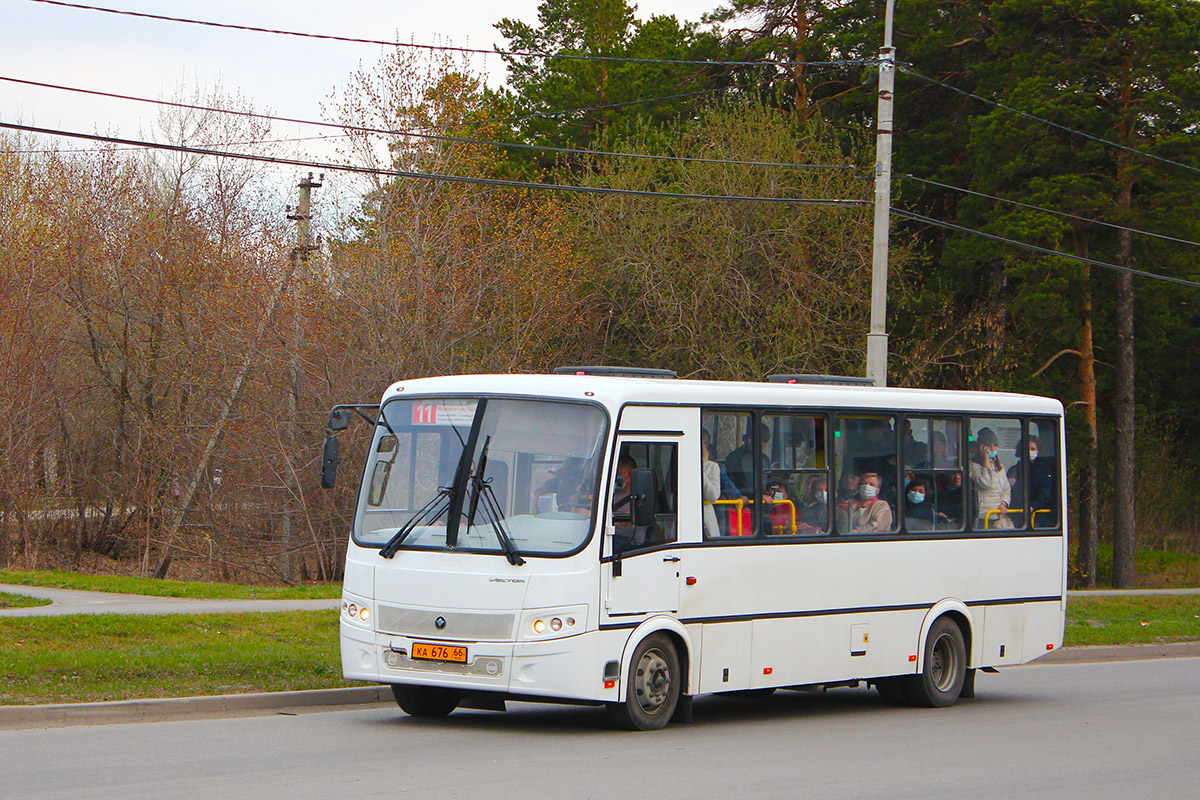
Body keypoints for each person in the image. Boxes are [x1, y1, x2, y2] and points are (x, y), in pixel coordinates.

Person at [970, 428, 1012, 529]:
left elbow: (1006, 490)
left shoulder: (999, 466)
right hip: (983, 518)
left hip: (998, 516)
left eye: (995, 446)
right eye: (989, 446)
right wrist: (985, 460)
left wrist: (1003, 504)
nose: (992, 449)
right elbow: (986, 483)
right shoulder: (973, 466)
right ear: (981, 447)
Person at [725, 423, 770, 497]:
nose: (763, 449)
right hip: (741, 503)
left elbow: (768, 481)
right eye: (762, 445)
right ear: (750, 440)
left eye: (766, 445)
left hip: (764, 502)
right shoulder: (735, 458)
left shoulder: (765, 459)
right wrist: (758, 496)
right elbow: (732, 484)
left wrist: (769, 490)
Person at [701, 430, 723, 538]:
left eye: (705, 443)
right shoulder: (680, 462)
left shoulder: (712, 467)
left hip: (705, 521)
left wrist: (699, 469)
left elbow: (713, 496)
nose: (702, 446)